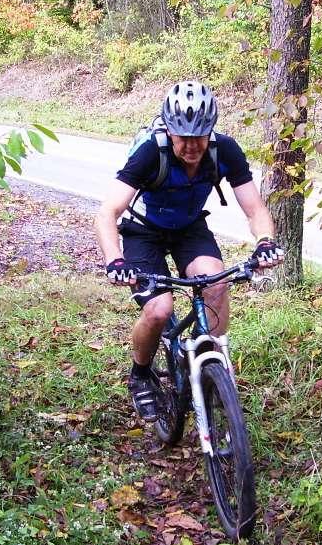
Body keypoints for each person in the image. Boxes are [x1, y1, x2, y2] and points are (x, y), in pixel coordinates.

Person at [94, 80, 285, 422]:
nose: (192, 145)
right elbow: (107, 212)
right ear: (169, 130)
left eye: (200, 136)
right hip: (144, 232)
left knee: (216, 283)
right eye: (183, 136)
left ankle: (203, 358)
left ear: (211, 130)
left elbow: (255, 209)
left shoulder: (224, 150)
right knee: (158, 309)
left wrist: (265, 241)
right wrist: (115, 261)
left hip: (189, 229)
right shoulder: (151, 152)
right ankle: (140, 375)